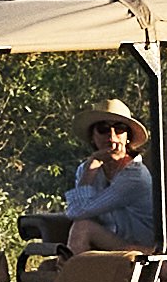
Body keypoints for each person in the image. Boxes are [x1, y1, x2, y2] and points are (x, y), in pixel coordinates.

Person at [63, 98, 156, 252]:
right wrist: (91, 167)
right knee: (45, 267)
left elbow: (77, 212)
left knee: (83, 228)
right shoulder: (86, 170)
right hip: (109, 246)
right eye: (103, 129)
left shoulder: (135, 176)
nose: (112, 137)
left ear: (128, 138)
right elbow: (77, 210)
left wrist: (93, 163)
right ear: (93, 137)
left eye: (119, 129)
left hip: (144, 250)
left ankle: (74, 272)